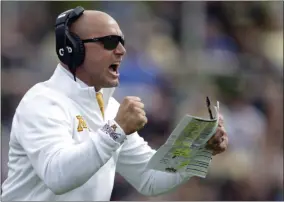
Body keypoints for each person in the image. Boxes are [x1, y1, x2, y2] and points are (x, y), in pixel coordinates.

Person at [1, 7, 228, 201]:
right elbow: (57, 176)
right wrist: (116, 130)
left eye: (121, 41)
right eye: (109, 42)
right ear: (73, 48)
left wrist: (199, 150)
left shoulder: (109, 108)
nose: (121, 50)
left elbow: (150, 179)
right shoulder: (42, 101)